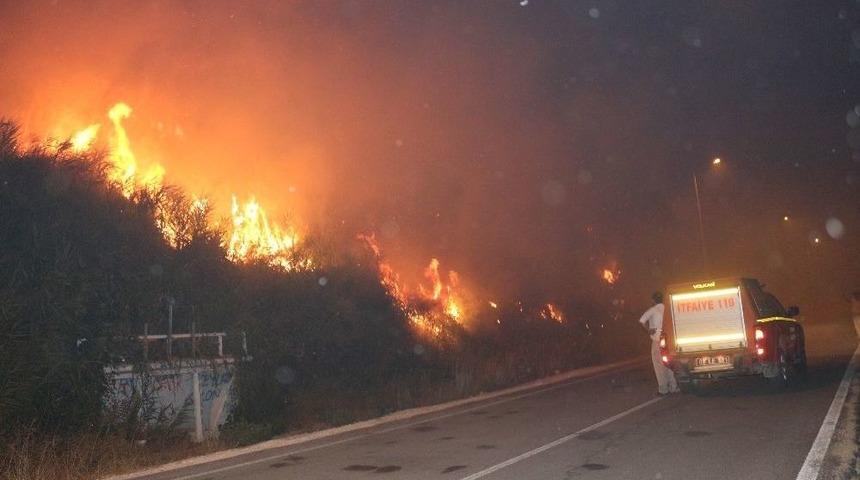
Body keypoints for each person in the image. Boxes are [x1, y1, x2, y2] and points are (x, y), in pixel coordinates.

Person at [639, 291, 679, 395]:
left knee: (658, 365)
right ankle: (673, 386)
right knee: (668, 363)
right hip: (669, 341)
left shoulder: (653, 310)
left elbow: (641, 321)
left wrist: (649, 330)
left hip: (657, 341)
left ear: (653, 300)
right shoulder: (667, 309)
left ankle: (663, 389)